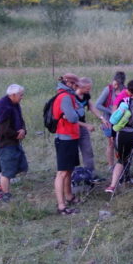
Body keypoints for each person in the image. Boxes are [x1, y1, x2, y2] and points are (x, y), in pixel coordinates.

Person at [106, 80, 133, 195]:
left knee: (121, 161)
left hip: (124, 134)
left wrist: (113, 135)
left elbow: (115, 119)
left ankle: (112, 185)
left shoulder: (124, 101)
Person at [51, 74, 83, 215]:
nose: (77, 88)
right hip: (65, 138)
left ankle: (69, 196)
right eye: (76, 85)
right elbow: (74, 116)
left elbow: (79, 112)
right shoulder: (65, 97)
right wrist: (75, 112)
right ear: (69, 83)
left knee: (69, 169)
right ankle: (61, 205)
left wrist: (75, 112)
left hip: (70, 136)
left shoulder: (69, 96)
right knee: (62, 172)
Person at [0, 84, 28, 202]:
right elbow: (3, 130)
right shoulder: (4, 107)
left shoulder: (14, 104)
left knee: (22, 166)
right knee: (7, 172)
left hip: (14, 141)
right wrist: (17, 134)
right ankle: (5, 195)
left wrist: (23, 130)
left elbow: (20, 120)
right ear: (13, 95)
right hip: (5, 143)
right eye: (20, 95)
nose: (22, 97)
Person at [94, 72, 125, 171]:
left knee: (120, 143)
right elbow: (97, 104)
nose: (114, 86)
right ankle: (111, 166)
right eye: (114, 83)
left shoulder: (125, 90)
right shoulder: (108, 89)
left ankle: (121, 164)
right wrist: (111, 112)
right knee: (111, 143)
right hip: (108, 121)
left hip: (121, 121)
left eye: (116, 84)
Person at [74, 77, 101, 175]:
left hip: (83, 127)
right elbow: (70, 119)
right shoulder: (72, 97)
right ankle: (74, 174)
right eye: (87, 88)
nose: (89, 90)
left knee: (88, 150)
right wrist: (87, 125)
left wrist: (102, 118)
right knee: (73, 152)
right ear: (80, 87)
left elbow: (92, 107)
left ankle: (90, 173)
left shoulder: (86, 95)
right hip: (72, 128)